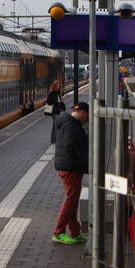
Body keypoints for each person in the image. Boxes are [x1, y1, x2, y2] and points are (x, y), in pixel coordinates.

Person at [52, 102, 89, 245]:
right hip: (71, 167)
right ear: (82, 112)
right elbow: (70, 146)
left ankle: (75, 232)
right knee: (71, 199)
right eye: (87, 116)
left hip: (67, 166)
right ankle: (58, 232)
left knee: (72, 200)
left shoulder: (67, 122)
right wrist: (83, 162)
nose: (87, 119)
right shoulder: (72, 125)